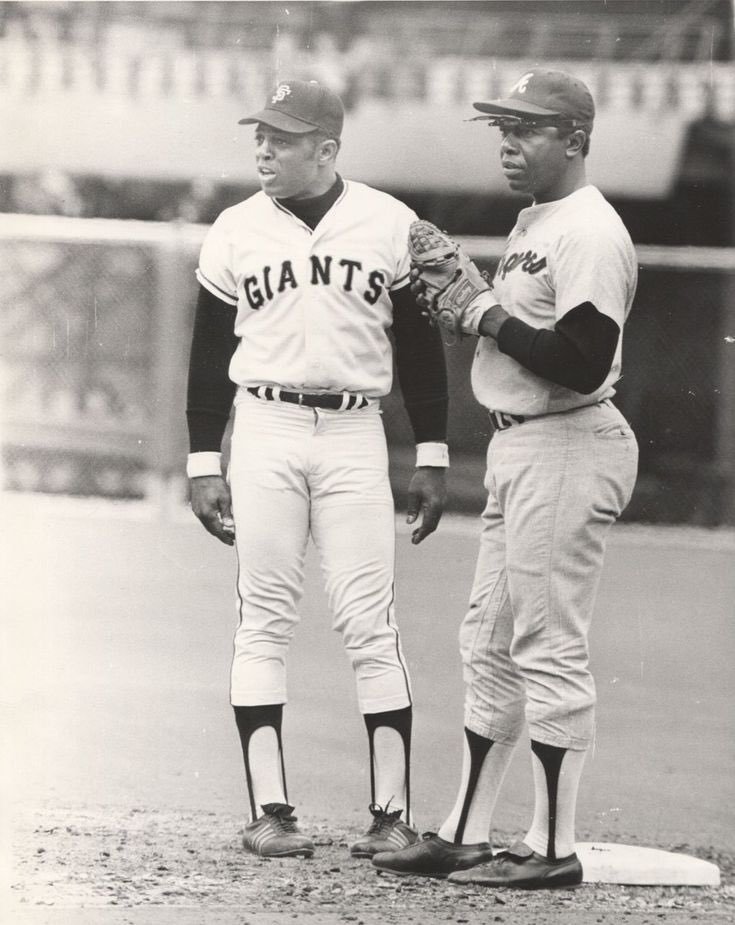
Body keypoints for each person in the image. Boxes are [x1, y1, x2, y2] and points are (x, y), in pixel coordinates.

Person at [372, 69, 639, 889]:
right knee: (486, 639)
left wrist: (485, 312)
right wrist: (480, 315)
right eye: (501, 129)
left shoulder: (587, 231)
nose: (508, 144)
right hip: (523, 444)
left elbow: (582, 358)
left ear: (575, 139)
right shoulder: (538, 221)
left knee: (545, 642)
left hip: (567, 441)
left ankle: (552, 846)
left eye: (526, 129)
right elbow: (527, 342)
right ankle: (464, 830)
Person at [185, 79, 449, 860]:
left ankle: (390, 812)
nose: (262, 149)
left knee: (370, 621)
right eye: (259, 135)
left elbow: (419, 349)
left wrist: (431, 450)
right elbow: (207, 355)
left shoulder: (388, 222)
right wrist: (206, 458)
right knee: (263, 615)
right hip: (262, 423)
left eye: (282, 138)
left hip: (353, 430)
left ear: (326, 148)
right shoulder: (235, 229)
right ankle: (270, 808)